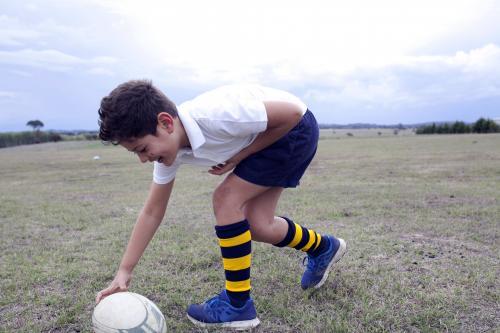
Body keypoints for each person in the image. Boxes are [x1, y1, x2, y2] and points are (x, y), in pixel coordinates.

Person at [95, 80, 347, 329]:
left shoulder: (215, 115)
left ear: (166, 123)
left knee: (225, 198)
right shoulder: (167, 153)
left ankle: (237, 305)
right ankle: (323, 247)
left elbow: (292, 114)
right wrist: (124, 271)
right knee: (258, 226)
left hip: (293, 129)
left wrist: (240, 156)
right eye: (136, 153)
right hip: (271, 137)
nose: (143, 159)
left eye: (143, 148)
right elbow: (152, 211)